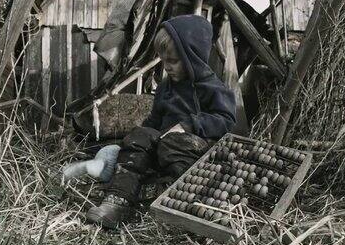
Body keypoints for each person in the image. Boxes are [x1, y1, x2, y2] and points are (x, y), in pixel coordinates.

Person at [86, 15, 237, 229]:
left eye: (173, 61)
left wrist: (189, 124)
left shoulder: (212, 88)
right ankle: (118, 202)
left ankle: (182, 203)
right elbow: (153, 121)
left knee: (174, 143)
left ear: (192, 56)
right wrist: (134, 142)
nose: (167, 67)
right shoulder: (166, 87)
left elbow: (226, 120)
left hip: (196, 151)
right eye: (163, 60)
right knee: (140, 135)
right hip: (164, 147)